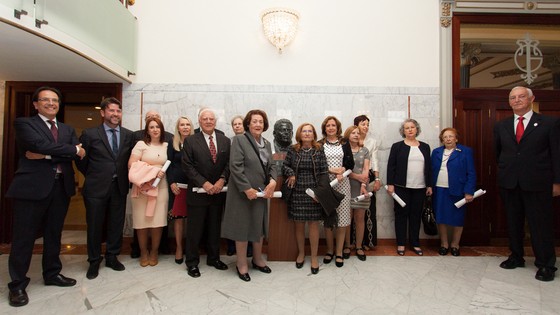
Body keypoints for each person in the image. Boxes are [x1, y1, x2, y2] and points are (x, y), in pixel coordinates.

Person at [6, 86, 86, 307]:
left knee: (54, 233)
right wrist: (67, 150)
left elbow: (73, 151)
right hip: (31, 188)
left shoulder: (67, 129)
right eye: (46, 100)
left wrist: (46, 154)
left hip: (60, 187)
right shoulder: (24, 123)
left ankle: (52, 273)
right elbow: (38, 145)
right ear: (36, 104)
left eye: (55, 100)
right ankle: (18, 285)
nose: (51, 103)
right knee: (24, 237)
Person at [494, 86, 560, 282]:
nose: (517, 100)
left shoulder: (549, 123)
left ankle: (546, 264)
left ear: (531, 99)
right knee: (513, 223)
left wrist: (557, 182)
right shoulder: (501, 125)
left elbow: (557, 155)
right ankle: (516, 256)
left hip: (538, 183)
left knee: (540, 225)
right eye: (513, 97)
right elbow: (499, 154)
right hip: (510, 182)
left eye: (521, 96)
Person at [77, 97, 134, 280]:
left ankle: (112, 256)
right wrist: (95, 176)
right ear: (103, 113)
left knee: (116, 224)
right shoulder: (90, 134)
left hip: (119, 187)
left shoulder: (128, 135)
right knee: (94, 225)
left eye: (118, 111)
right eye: (111, 110)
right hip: (95, 188)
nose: (115, 114)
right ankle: (94, 260)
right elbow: (81, 161)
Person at [222, 110, 278, 282]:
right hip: (242, 193)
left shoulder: (267, 144)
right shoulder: (239, 140)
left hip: (261, 192)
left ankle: (257, 259)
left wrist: (273, 181)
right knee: (242, 227)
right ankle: (241, 263)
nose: (258, 124)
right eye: (254, 121)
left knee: (258, 226)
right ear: (248, 123)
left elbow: (272, 166)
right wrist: (246, 189)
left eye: (261, 121)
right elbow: (235, 167)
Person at [182, 108, 230, 278]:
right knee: (194, 231)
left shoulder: (225, 141)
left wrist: (222, 180)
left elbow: (228, 164)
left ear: (215, 121)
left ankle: (214, 258)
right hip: (197, 193)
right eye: (205, 119)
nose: (208, 121)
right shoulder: (190, 141)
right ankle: (192, 263)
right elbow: (187, 166)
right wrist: (204, 183)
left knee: (214, 228)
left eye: (211, 119)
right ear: (199, 121)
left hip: (218, 192)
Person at [282, 123, 328, 275]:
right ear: (299, 134)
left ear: (314, 134)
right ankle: (301, 253)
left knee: (314, 224)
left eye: (310, 131)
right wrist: (291, 173)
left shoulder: (319, 150)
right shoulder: (292, 149)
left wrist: (319, 194)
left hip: (314, 192)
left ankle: (314, 257)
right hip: (297, 191)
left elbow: (323, 172)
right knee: (299, 224)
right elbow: (285, 166)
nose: (307, 134)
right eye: (304, 131)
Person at [130, 110, 173, 258]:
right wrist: (154, 171)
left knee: (158, 221)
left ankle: (154, 251)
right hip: (142, 188)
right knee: (141, 223)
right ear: (147, 130)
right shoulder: (141, 144)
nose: (155, 130)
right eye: (152, 127)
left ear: (162, 129)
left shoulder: (167, 145)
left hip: (160, 188)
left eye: (158, 127)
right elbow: (131, 165)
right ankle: (143, 252)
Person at [386, 118, 432, 256]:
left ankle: (415, 243)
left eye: (412, 127)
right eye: (407, 128)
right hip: (401, 187)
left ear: (417, 129)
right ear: (403, 131)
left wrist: (429, 185)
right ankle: (401, 243)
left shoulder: (425, 146)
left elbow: (429, 168)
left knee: (415, 216)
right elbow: (391, 166)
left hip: (420, 187)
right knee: (401, 215)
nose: (410, 129)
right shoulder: (397, 146)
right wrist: (390, 184)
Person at [431, 128, 476, 257]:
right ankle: (444, 244)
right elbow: (430, 171)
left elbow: (471, 173)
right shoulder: (436, 152)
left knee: (458, 218)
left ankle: (455, 245)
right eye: (445, 137)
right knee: (441, 217)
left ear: (456, 138)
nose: (448, 139)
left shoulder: (465, 152)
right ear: (442, 139)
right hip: (439, 189)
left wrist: (469, 191)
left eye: (451, 136)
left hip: (458, 190)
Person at [319, 116, 353, 267]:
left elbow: (350, 162)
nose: (331, 128)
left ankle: (339, 252)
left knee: (343, 220)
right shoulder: (319, 144)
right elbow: (318, 165)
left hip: (343, 183)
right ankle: (329, 250)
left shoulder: (345, 143)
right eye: (328, 126)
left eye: (333, 125)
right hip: (326, 185)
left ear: (337, 127)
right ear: (324, 128)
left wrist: (343, 170)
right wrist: (330, 170)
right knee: (328, 218)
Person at [166, 116, 194, 264]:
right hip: (177, 186)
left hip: (193, 185)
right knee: (178, 218)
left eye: (187, 124)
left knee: (193, 218)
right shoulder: (173, 143)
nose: (185, 127)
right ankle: (179, 248)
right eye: (182, 125)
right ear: (178, 128)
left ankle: (191, 248)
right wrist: (171, 182)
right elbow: (168, 164)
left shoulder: (196, 142)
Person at [225, 115, 253, 257]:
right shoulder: (228, 142)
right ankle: (231, 246)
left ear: (245, 125)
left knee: (248, 218)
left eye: (239, 123)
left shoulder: (252, 141)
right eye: (234, 124)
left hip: (249, 184)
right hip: (233, 182)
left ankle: (249, 248)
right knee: (234, 216)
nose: (237, 126)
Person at [353, 115, 381, 250]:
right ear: (356, 125)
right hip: (353, 176)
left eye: (367, 124)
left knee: (368, 209)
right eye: (363, 124)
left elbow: (375, 160)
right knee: (353, 209)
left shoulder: (372, 141)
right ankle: (353, 242)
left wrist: (376, 179)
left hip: (368, 175)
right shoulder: (351, 138)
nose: (366, 127)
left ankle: (367, 241)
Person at [346, 125, 371, 261]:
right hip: (347, 186)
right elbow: (344, 170)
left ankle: (359, 246)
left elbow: (366, 169)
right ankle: (347, 245)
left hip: (362, 187)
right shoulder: (344, 150)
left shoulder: (365, 150)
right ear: (348, 135)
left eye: (358, 133)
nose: (356, 135)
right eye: (353, 133)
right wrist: (357, 177)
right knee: (347, 219)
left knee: (360, 218)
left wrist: (363, 183)